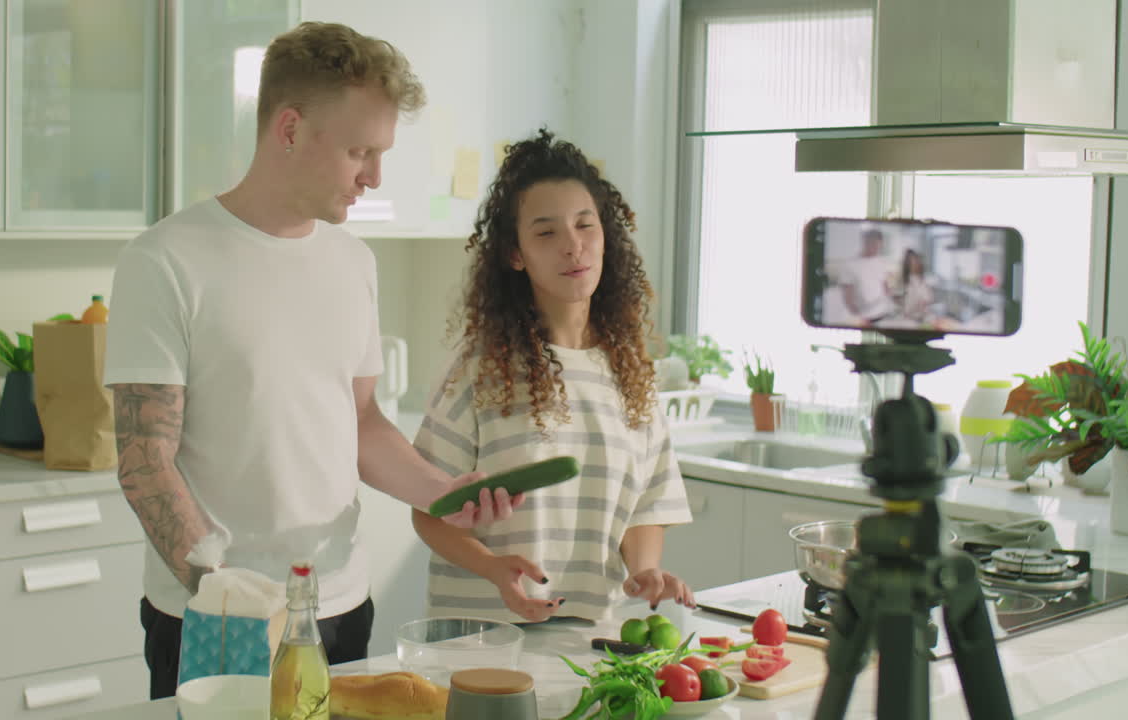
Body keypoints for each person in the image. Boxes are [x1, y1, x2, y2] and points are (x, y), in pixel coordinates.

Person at [103, 22, 518, 700]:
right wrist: (225, 595)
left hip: (338, 606)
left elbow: (359, 421)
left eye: (380, 153)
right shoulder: (166, 260)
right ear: (290, 129)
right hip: (217, 616)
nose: (374, 175)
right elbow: (144, 457)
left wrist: (444, 493)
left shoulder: (353, 262)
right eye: (359, 150)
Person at [410, 129, 696, 625]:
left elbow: (646, 506)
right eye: (546, 232)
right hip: (479, 641)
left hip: (586, 639)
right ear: (515, 254)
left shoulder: (631, 376)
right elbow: (428, 510)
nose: (573, 246)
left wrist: (645, 571)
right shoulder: (481, 372)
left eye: (586, 225)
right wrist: (493, 567)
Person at [839, 227, 897, 326]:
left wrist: (891, 286)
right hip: (863, 316)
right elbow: (847, 294)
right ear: (865, 242)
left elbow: (890, 286)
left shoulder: (885, 263)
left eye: (878, 244)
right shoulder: (850, 265)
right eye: (872, 243)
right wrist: (855, 313)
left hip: (884, 313)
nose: (875, 247)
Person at [899, 249, 936, 324]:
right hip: (910, 319)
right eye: (910, 261)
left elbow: (929, 298)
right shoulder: (907, 281)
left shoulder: (922, 280)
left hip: (924, 318)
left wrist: (925, 302)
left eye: (916, 260)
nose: (914, 263)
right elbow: (907, 307)